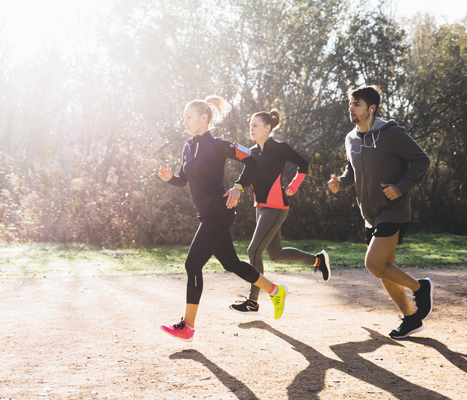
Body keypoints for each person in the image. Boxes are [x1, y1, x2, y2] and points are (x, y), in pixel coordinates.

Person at [158, 96, 288, 342]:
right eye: (184, 117)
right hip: (207, 214)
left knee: (192, 264)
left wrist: (239, 186)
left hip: (219, 211)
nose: (184, 122)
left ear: (203, 119)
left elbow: (252, 159)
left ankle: (188, 326)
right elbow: (182, 180)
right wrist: (169, 178)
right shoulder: (187, 147)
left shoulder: (218, 145)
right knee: (231, 263)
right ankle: (274, 290)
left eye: (188, 117)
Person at [327, 85, 433, 339]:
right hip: (369, 214)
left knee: (374, 264)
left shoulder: (392, 134)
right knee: (385, 268)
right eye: (350, 104)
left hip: (393, 210)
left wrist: (401, 187)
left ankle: (421, 287)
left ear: (371, 108)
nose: (351, 109)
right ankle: (410, 318)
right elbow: (352, 171)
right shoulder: (351, 138)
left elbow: (422, 160)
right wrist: (340, 183)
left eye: (357, 104)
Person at [229, 109, 330, 314]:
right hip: (261, 206)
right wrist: (236, 186)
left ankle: (253, 301)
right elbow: (248, 180)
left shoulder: (280, 148)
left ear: (268, 128)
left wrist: (294, 185)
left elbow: (303, 164)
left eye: (256, 125)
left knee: (253, 250)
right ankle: (317, 259)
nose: (252, 128)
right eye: (250, 125)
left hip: (276, 206)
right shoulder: (252, 152)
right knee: (275, 254)